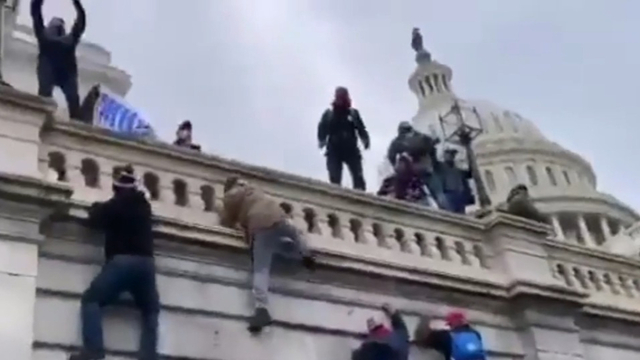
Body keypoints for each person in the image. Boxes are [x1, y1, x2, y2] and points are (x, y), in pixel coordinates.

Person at [68, 165, 159, 360]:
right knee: (150, 310)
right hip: (147, 264)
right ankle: (149, 355)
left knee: (91, 300)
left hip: (122, 262)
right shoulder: (144, 206)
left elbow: (95, 220)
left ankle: (94, 352)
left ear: (116, 188)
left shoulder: (114, 205)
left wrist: (95, 208)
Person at [220, 176, 316, 333]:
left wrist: (232, 221)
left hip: (259, 224)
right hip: (277, 214)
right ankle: (305, 253)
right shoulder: (254, 188)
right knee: (291, 235)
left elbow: (225, 220)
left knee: (261, 268)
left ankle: (261, 309)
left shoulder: (230, 196)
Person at [31, 0, 86, 120]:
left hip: (64, 73)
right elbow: (81, 22)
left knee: (71, 99)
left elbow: (35, 12)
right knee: (71, 100)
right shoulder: (65, 40)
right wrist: (77, 4)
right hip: (56, 71)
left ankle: (75, 118)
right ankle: (75, 118)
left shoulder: (46, 36)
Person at [318, 86, 370, 191]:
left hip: (351, 149)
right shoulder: (329, 114)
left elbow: (361, 128)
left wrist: (365, 139)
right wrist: (322, 140)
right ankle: (336, 196)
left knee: (358, 177)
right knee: (334, 178)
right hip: (334, 149)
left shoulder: (353, 114)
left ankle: (360, 195)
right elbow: (322, 128)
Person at [413, 310, 486, 360]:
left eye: (450, 324)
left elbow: (426, 338)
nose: (450, 327)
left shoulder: (447, 336)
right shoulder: (475, 334)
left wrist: (425, 321)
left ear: (453, 323)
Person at [439, 148, 474, 214]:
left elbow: (470, 174)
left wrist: (470, 156)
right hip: (449, 195)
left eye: (452, 155)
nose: (451, 157)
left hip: (459, 194)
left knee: (461, 213)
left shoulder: (457, 170)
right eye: (449, 154)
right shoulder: (441, 168)